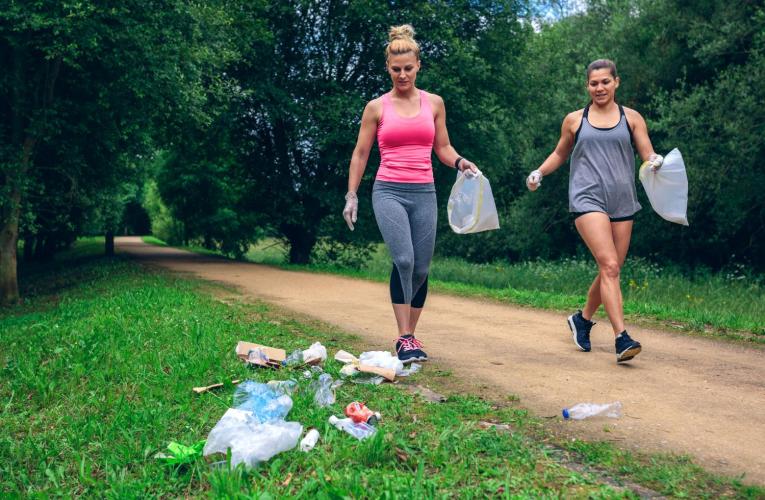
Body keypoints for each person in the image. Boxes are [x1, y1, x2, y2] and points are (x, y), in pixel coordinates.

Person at [342, 24, 479, 364]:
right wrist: (352, 194)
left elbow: (443, 147)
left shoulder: (434, 104)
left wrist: (460, 162)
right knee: (403, 260)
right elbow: (361, 154)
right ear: (387, 68)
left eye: (407, 68)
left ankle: (411, 336)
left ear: (418, 65)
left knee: (420, 268)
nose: (402, 75)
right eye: (395, 69)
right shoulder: (376, 107)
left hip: (424, 192)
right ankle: (403, 336)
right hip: (388, 190)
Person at [525, 59, 663, 363]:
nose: (599, 88)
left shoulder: (632, 118)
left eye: (605, 82)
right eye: (593, 83)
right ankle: (622, 338)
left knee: (611, 269)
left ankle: (582, 319)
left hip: (623, 200)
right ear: (587, 86)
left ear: (616, 82)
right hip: (588, 199)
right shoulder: (575, 120)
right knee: (610, 265)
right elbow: (561, 152)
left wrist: (655, 161)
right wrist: (540, 172)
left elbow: (646, 151)